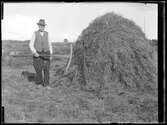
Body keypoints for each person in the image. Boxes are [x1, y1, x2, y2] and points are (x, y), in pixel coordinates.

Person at [29, 19, 53, 89]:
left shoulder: (47, 34)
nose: (42, 27)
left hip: (46, 53)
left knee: (46, 69)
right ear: (38, 26)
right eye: (40, 25)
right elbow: (31, 44)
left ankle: (47, 85)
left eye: (43, 26)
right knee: (38, 69)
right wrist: (34, 52)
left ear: (44, 26)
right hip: (38, 53)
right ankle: (39, 83)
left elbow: (50, 44)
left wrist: (51, 54)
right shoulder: (35, 33)